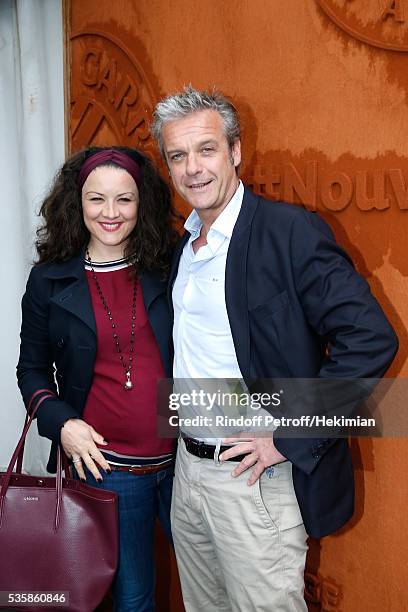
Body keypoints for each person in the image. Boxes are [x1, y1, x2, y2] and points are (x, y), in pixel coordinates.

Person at [151, 86, 399, 612]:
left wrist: (289, 435)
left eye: (206, 149)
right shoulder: (184, 250)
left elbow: (372, 339)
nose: (193, 168)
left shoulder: (290, 233)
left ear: (236, 151)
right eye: (178, 156)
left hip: (252, 480)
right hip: (188, 476)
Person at [16, 146, 179, 612]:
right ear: (77, 202)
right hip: (106, 470)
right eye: (97, 199)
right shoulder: (49, 281)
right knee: (133, 600)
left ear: (142, 203)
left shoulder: (170, 264)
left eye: (124, 200)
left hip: (186, 464)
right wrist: (62, 423)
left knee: (212, 591)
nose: (111, 213)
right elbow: (30, 370)